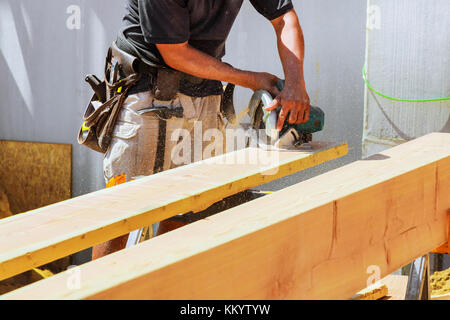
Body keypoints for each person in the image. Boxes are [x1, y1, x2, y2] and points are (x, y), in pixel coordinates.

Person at [92, 0, 310, 260]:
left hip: (204, 89)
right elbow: (175, 53)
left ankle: (165, 289)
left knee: (190, 209)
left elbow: (284, 18)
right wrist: (251, 80)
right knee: (123, 215)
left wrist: (296, 83)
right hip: (148, 90)